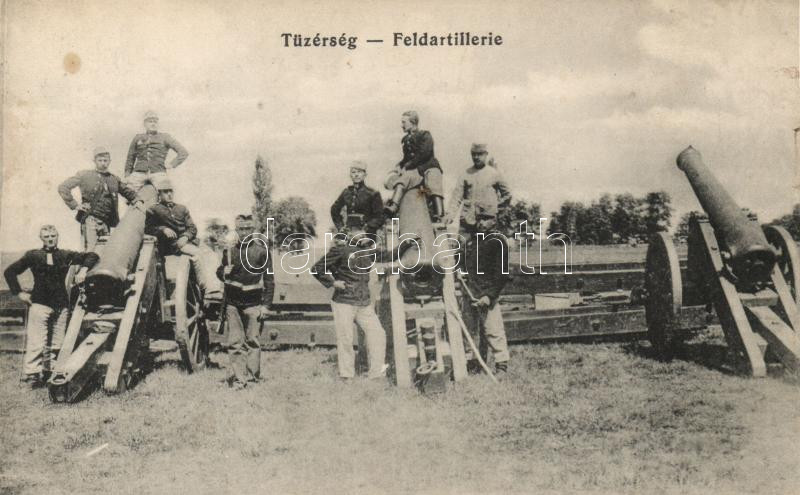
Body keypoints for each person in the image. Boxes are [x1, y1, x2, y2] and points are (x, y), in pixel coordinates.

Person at [3, 225, 99, 387]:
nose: (50, 239)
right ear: (41, 238)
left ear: (57, 237)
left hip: (61, 305)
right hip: (39, 304)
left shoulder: (65, 255)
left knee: (57, 343)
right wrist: (19, 293)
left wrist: (83, 270)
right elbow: (9, 272)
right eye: (46, 236)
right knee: (36, 342)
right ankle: (32, 375)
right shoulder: (33, 256)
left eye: (53, 236)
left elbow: (92, 255)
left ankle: (50, 373)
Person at [312, 227, 392, 380]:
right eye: (357, 233)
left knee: (378, 334)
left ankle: (376, 373)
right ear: (349, 235)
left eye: (363, 233)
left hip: (364, 303)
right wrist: (333, 283)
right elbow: (317, 268)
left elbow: (390, 255)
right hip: (344, 302)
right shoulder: (340, 250)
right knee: (346, 339)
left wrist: (408, 243)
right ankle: (347, 375)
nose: (361, 235)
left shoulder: (368, 252)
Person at [216, 214, 274, 389]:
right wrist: (223, 271)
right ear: (237, 230)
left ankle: (253, 378)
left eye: (248, 228)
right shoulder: (229, 252)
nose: (245, 232)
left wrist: (266, 306)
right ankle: (240, 380)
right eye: (241, 229)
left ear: (253, 230)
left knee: (253, 342)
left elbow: (269, 280)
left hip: (253, 304)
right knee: (235, 343)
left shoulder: (262, 252)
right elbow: (220, 272)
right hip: (232, 304)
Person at [144, 177, 222, 299]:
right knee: (198, 254)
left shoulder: (182, 208)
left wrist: (186, 236)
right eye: (165, 191)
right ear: (159, 194)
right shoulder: (154, 209)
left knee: (212, 255)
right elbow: (148, 228)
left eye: (171, 191)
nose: (169, 194)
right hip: (173, 245)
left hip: (189, 241)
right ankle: (207, 289)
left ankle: (216, 288)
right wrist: (163, 229)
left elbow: (192, 228)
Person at [58, 147, 139, 251]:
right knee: (90, 251)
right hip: (90, 220)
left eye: (105, 160)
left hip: (106, 222)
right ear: (94, 161)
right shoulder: (85, 175)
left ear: (109, 161)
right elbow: (63, 187)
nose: (103, 163)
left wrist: (138, 200)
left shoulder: (114, 179)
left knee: (105, 251)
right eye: (100, 160)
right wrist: (75, 205)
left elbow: (128, 192)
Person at [460, 214, 512, 375]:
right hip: (470, 293)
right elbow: (463, 263)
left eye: (485, 219)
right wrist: (460, 270)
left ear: (494, 221)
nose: (481, 223)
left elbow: (502, 274)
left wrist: (489, 296)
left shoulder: (497, 242)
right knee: (468, 331)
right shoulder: (472, 241)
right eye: (479, 219)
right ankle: (472, 363)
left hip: (487, 295)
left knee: (493, 330)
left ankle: (501, 365)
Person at [383, 110, 445, 223]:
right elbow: (407, 158)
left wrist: (407, 165)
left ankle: (439, 215)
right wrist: (399, 165)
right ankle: (393, 206)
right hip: (416, 170)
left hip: (429, 166)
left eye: (404, 122)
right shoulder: (406, 140)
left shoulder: (425, 135)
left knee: (433, 182)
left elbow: (425, 153)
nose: (402, 125)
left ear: (413, 122)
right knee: (402, 180)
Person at [445, 143, 512, 241]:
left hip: (487, 222)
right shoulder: (465, 174)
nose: (476, 157)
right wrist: (450, 214)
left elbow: (507, 195)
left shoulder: (494, 174)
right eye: (473, 154)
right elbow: (457, 196)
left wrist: (495, 208)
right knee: (462, 247)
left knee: (486, 248)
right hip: (467, 221)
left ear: (486, 154)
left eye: (480, 154)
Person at [124, 111, 189, 191]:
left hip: (158, 173)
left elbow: (183, 152)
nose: (153, 124)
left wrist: (172, 164)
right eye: (150, 121)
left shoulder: (165, 137)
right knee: (127, 192)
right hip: (139, 173)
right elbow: (130, 158)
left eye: (155, 122)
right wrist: (127, 175)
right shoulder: (137, 138)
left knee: (166, 192)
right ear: (144, 124)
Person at [330, 161, 384, 238]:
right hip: (349, 234)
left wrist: (367, 229)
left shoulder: (373, 193)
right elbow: (334, 209)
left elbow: (379, 217)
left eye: (359, 172)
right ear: (350, 175)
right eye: (353, 172)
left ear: (365, 175)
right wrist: (340, 227)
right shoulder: (346, 192)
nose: (356, 174)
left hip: (367, 235)